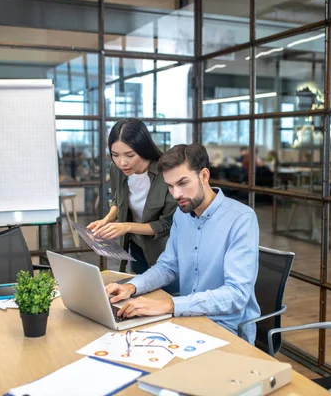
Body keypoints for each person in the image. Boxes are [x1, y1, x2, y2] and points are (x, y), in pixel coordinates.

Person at [105, 143, 261, 344]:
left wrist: (170, 305)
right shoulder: (182, 213)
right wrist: (132, 287)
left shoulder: (241, 219)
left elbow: (236, 295)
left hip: (227, 329)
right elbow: (167, 266)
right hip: (188, 320)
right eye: (170, 186)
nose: (176, 194)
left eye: (182, 183)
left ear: (204, 176)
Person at [87, 118, 178, 293]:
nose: (122, 163)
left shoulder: (165, 173)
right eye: (115, 155)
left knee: (166, 298)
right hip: (136, 247)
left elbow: (165, 225)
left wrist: (125, 226)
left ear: (143, 149)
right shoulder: (117, 170)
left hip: (163, 252)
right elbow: (118, 200)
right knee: (138, 296)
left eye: (129, 155)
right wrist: (107, 220)